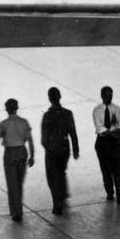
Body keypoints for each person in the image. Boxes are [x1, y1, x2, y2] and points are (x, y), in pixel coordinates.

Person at [0, 98, 35, 222]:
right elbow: (30, 140)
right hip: (22, 152)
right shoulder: (24, 122)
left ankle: (16, 212)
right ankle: (18, 208)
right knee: (19, 183)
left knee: (12, 183)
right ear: (17, 108)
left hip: (10, 153)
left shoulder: (3, 124)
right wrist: (32, 155)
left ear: (6, 109)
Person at [40, 87, 80, 216]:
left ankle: (57, 204)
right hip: (64, 148)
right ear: (60, 97)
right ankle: (62, 195)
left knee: (52, 176)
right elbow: (72, 132)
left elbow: (44, 138)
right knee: (61, 173)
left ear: (49, 98)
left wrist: (49, 148)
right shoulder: (67, 113)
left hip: (52, 150)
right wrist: (75, 149)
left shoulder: (47, 115)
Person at [92, 86, 120, 203]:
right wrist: (113, 132)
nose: (109, 97)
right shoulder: (97, 110)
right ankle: (110, 191)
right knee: (105, 169)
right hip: (103, 143)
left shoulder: (116, 109)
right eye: (107, 95)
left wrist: (113, 132)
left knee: (118, 169)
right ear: (102, 96)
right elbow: (100, 128)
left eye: (111, 95)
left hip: (113, 142)